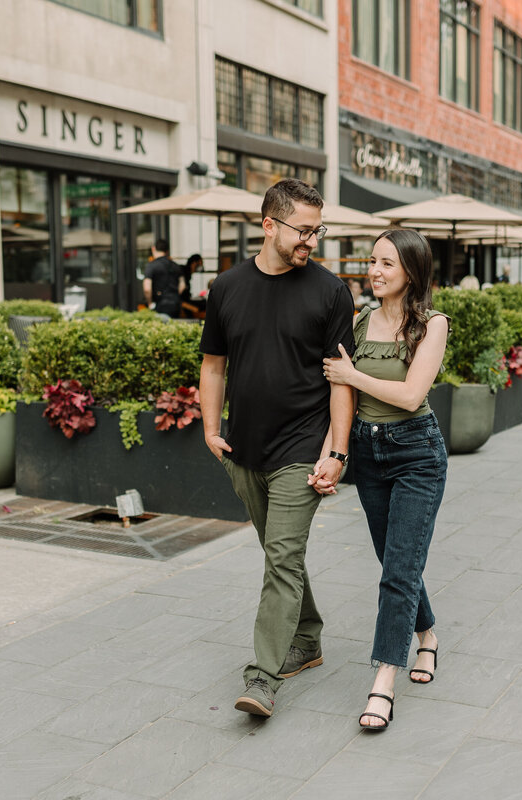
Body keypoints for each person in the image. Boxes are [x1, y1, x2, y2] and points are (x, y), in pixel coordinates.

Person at [199, 178, 356, 718]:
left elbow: (342, 381)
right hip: (244, 448)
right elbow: (214, 364)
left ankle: (263, 675)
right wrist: (209, 426)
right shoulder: (226, 288)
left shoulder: (331, 292)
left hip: (302, 447)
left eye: (318, 229)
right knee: (279, 553)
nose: (312, 240)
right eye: (303, 230)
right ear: (268, 225)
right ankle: (306, 637)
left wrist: (335, 452)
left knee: (282, 557)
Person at [321, 229, 450, 732]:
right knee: (396, 559)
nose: (374, 271)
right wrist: (333, 453)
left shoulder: (431, 325)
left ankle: (383, 683)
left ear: (411, 272)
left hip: (417, 453)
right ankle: (428, 635)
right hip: (368, 454)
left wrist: (353, 376)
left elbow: (412, 395)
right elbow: (341, 397)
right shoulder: (358, 322)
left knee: (397, 570)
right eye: (372, 261)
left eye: (387, 264)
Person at [143, 239, 184, 317]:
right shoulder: (175, 266)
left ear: (153, 248)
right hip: (175, 304)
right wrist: (174, 295)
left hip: (159, 305)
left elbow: (147, 288)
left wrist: (150, 303)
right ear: (167, 251)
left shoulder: (151, 266)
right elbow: (182, 285)